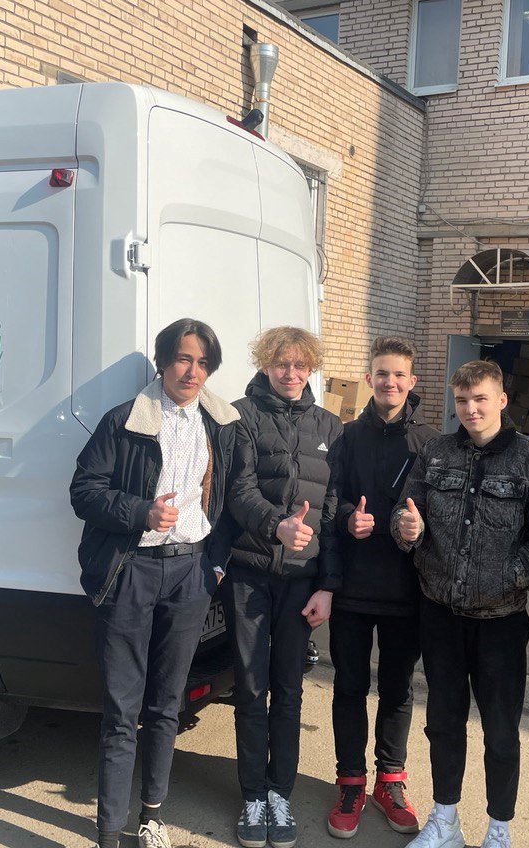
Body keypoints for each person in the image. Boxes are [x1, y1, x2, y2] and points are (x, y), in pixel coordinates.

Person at [69, 318, 239, 848]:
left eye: (203, 363)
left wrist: (214, 564)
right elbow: (83, 491)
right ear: (164, 361)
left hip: (191, 573)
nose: (193, 371)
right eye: (184, 359)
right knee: (122, 710)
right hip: (132, 571)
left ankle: (151, 816)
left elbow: (232, 497)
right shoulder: (125, 421)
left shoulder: (221, 424)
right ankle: (108, 830)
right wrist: (141, 511)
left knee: (167, 704)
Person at [393, 359, 529, 848]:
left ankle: (498, 829)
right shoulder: (436, 453)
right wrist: (407, 529)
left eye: (480, 399)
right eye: (462, 400)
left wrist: (510, 576)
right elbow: (404, 514)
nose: (470, 409)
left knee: (501, 732)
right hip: (440, 614)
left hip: (501, 621)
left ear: (501, 401)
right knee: (443, 723)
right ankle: (444, 821)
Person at [224, 325, 343, 848]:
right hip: (250, 574)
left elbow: (333, 513)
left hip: (302, 581)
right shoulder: (242, 416)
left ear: (310, 367)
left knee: (289, 690)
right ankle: (253, 794)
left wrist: (328, 585)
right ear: (266, 365)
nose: (290, 373)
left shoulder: (330, 426)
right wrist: (277, 526)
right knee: (251, 687)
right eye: (281, 363)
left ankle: (280, 792)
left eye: (299, 364)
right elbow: (238, 491)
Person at [324, 336, 439, 839]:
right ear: (368, 378)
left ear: (412, 382)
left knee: (397, 689)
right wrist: (350, 517)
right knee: (349, 687)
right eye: (381, 373)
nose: (389, 382)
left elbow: (442, 511)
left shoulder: (431, 442)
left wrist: (420, 526)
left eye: (398, 375)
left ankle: (390, 781)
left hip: (406, 591)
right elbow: (331, 501)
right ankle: (350, 783)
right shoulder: (347, 437)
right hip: (352, 587)